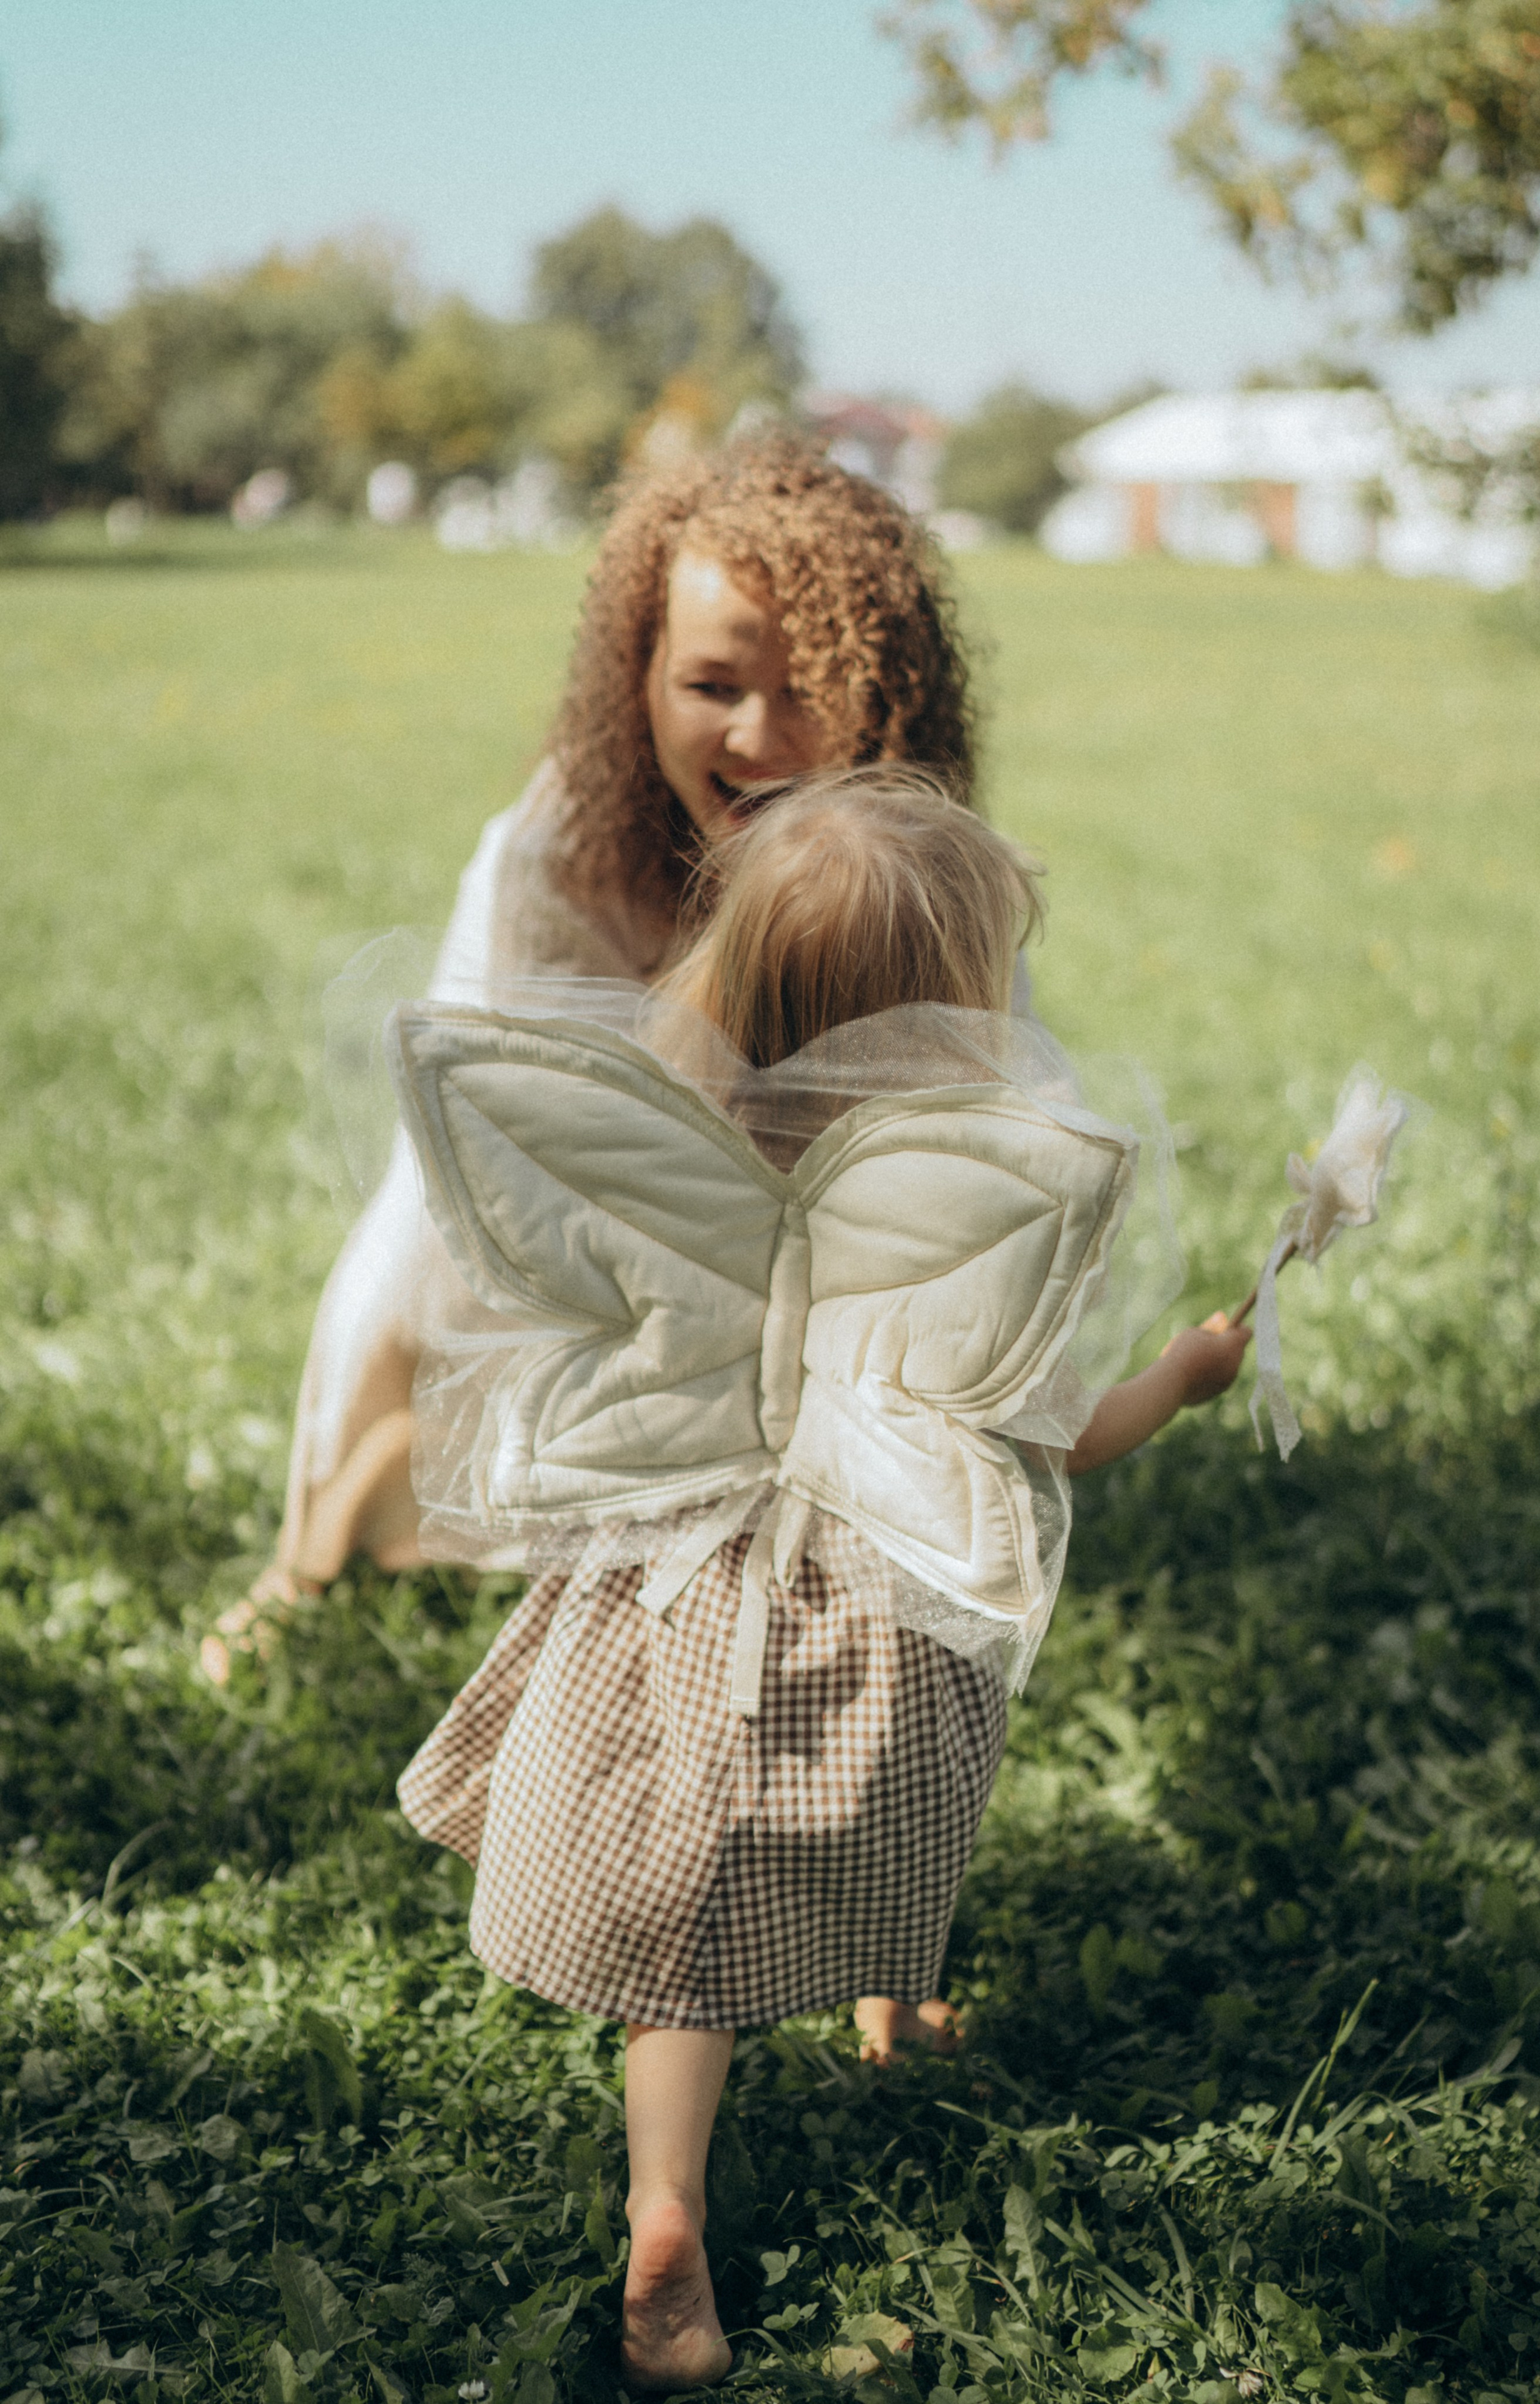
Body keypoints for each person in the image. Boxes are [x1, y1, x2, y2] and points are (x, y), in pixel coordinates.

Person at [383, 770, 1250, 2392]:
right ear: (962, 1017)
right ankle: (892, 2005)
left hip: (667, 1597)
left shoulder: (672, 1178)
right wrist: (1185, 1377)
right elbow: (1066, 1439)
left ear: (728, 980)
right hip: (879, 1625)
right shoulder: (950, 1235)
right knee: (885, 1829)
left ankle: (666, 2198)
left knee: (682, 1942)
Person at [224, 432, 976, 1639]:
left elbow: (971, 1111)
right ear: (642, 678)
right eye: (712, 687)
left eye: (806, 693)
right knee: (435, 1308)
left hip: (800, 1235)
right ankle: (309, 1560)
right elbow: (546, 1174)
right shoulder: (558, 856)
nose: (758, 738)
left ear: (884, 700)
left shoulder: (909, 869)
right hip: (569, 1197)